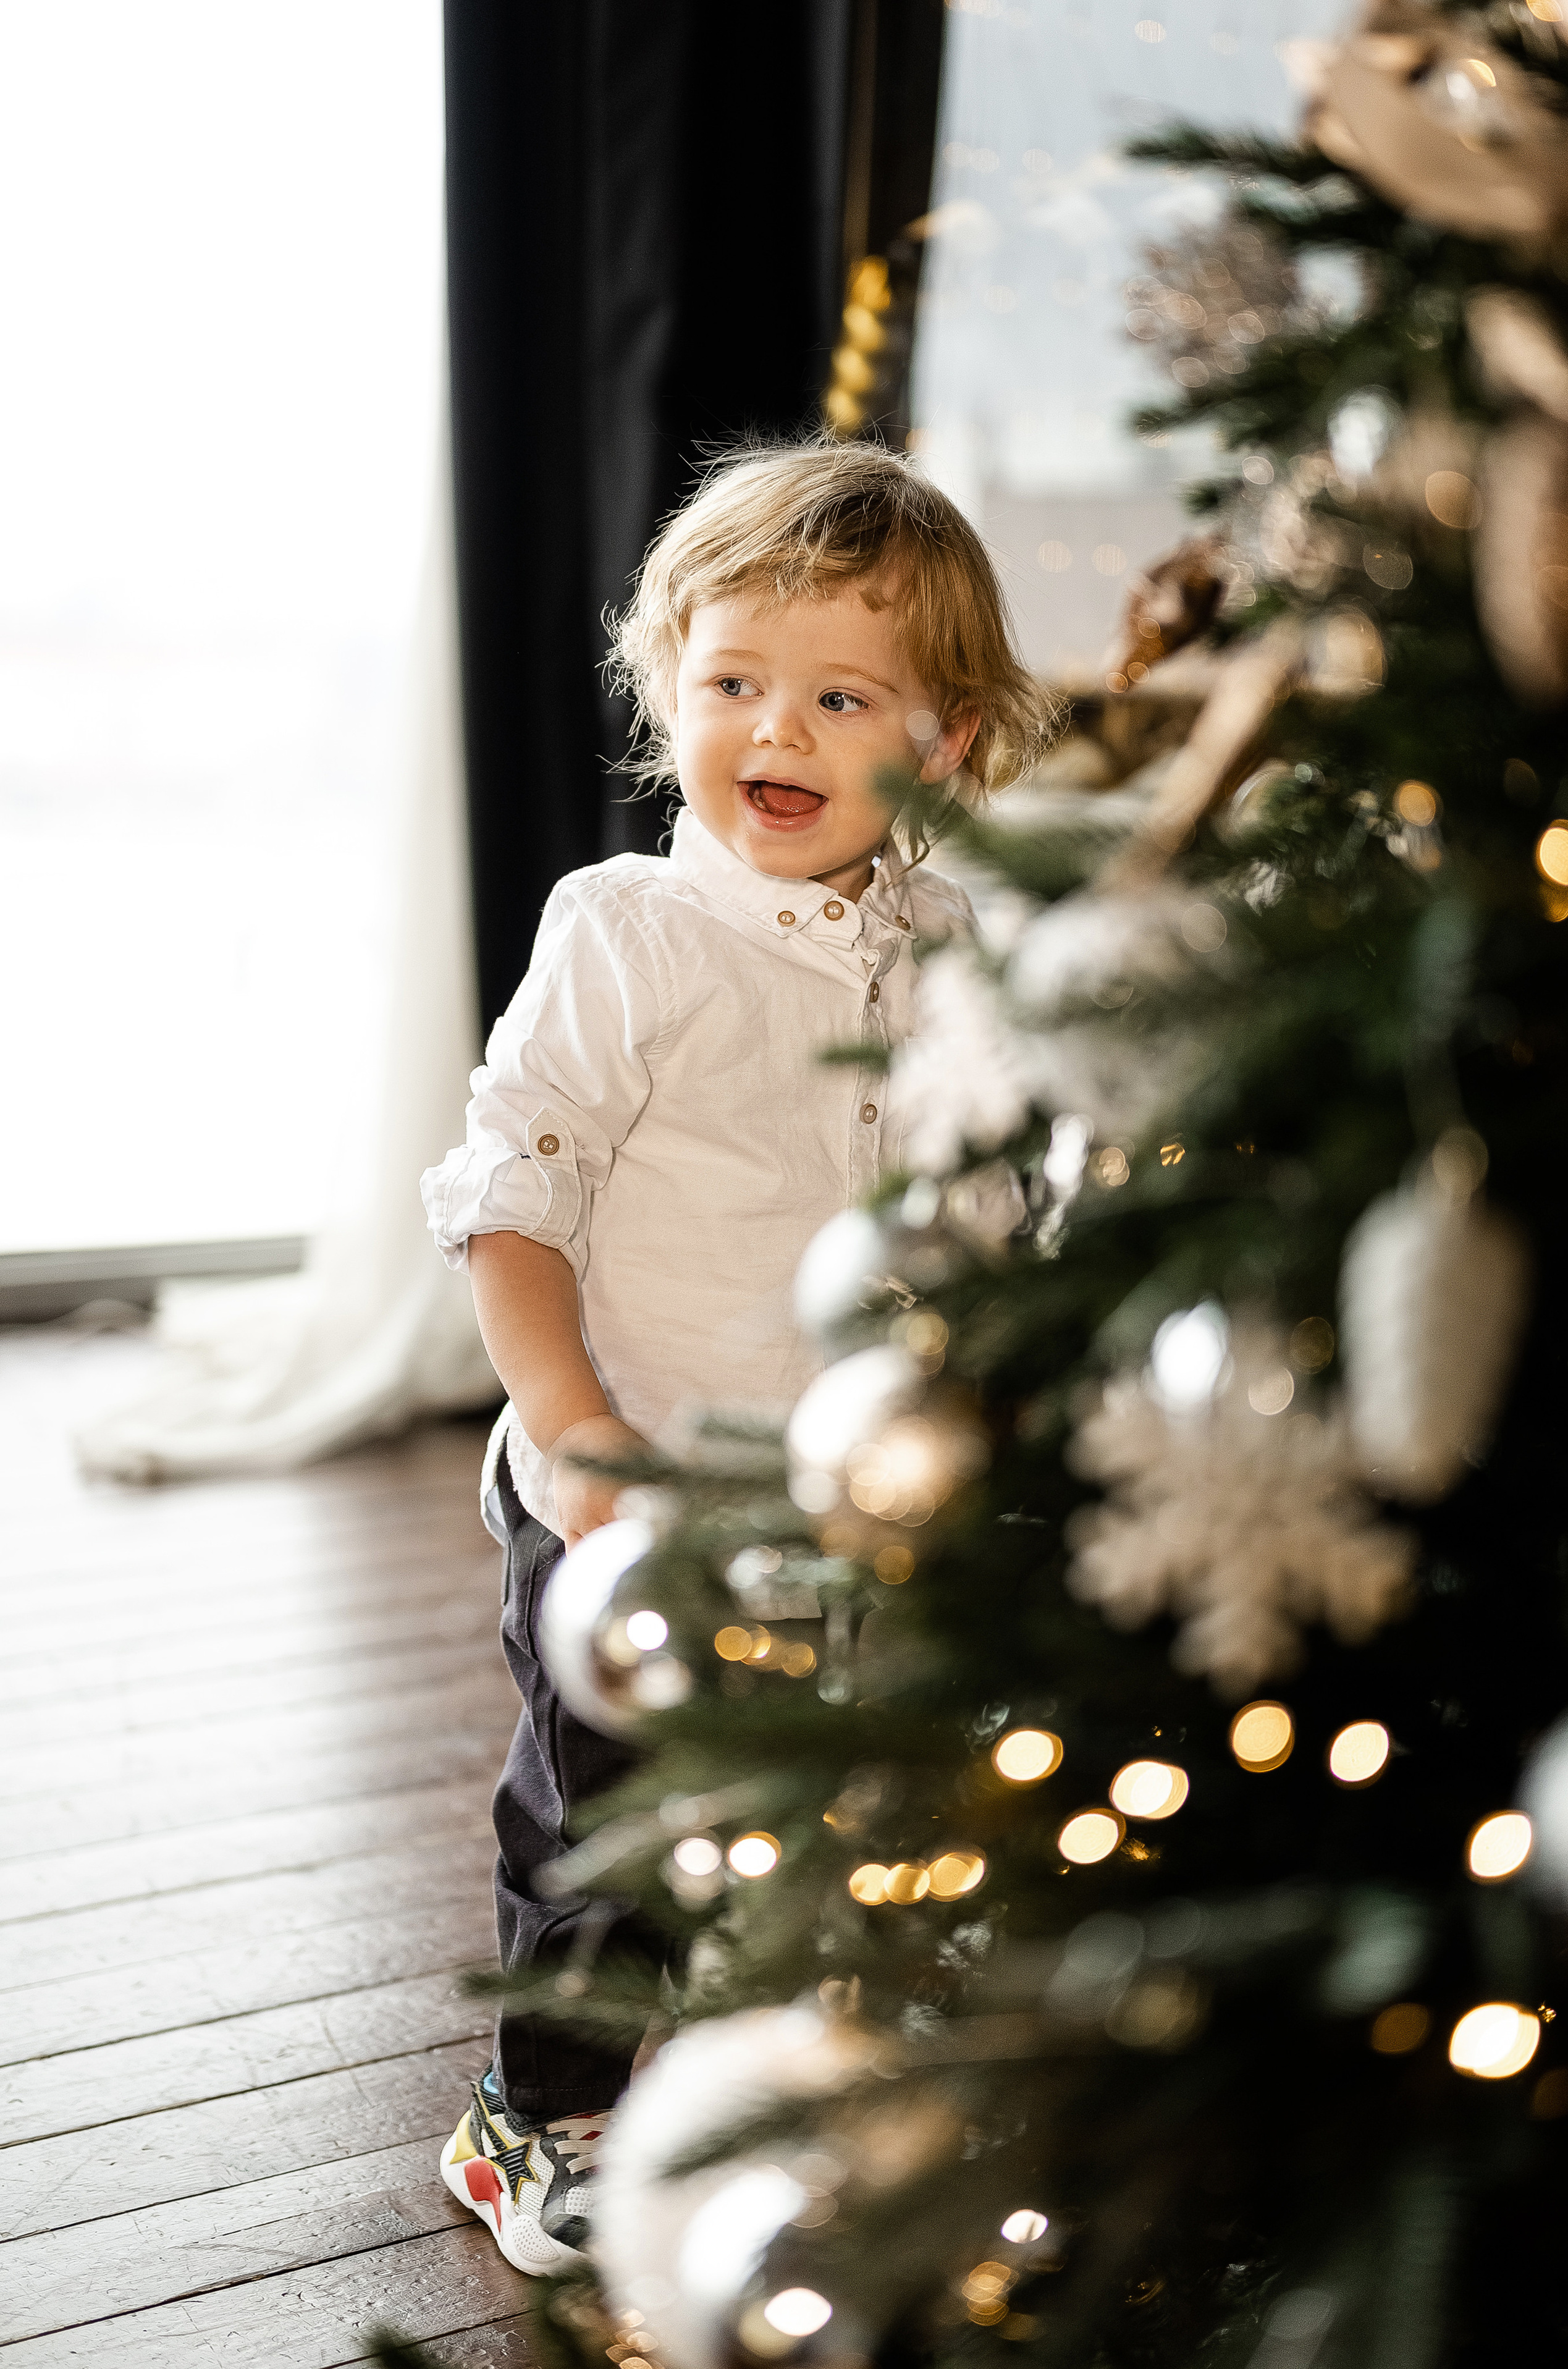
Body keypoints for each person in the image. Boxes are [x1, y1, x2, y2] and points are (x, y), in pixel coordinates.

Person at [419, 437, 1053, 2273]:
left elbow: (986, 1192)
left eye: (840, 694)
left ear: (939, 740)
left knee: (863, 1797)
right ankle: (542, 2111)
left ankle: (827, 2082)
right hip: (626, 1476)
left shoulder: (951, 949)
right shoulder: (625, 930)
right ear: (666, 686)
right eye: (731, 684)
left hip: (859, 1476)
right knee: (611, 1814)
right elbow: (511, 1194)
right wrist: (573, 1423)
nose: (773, 730)